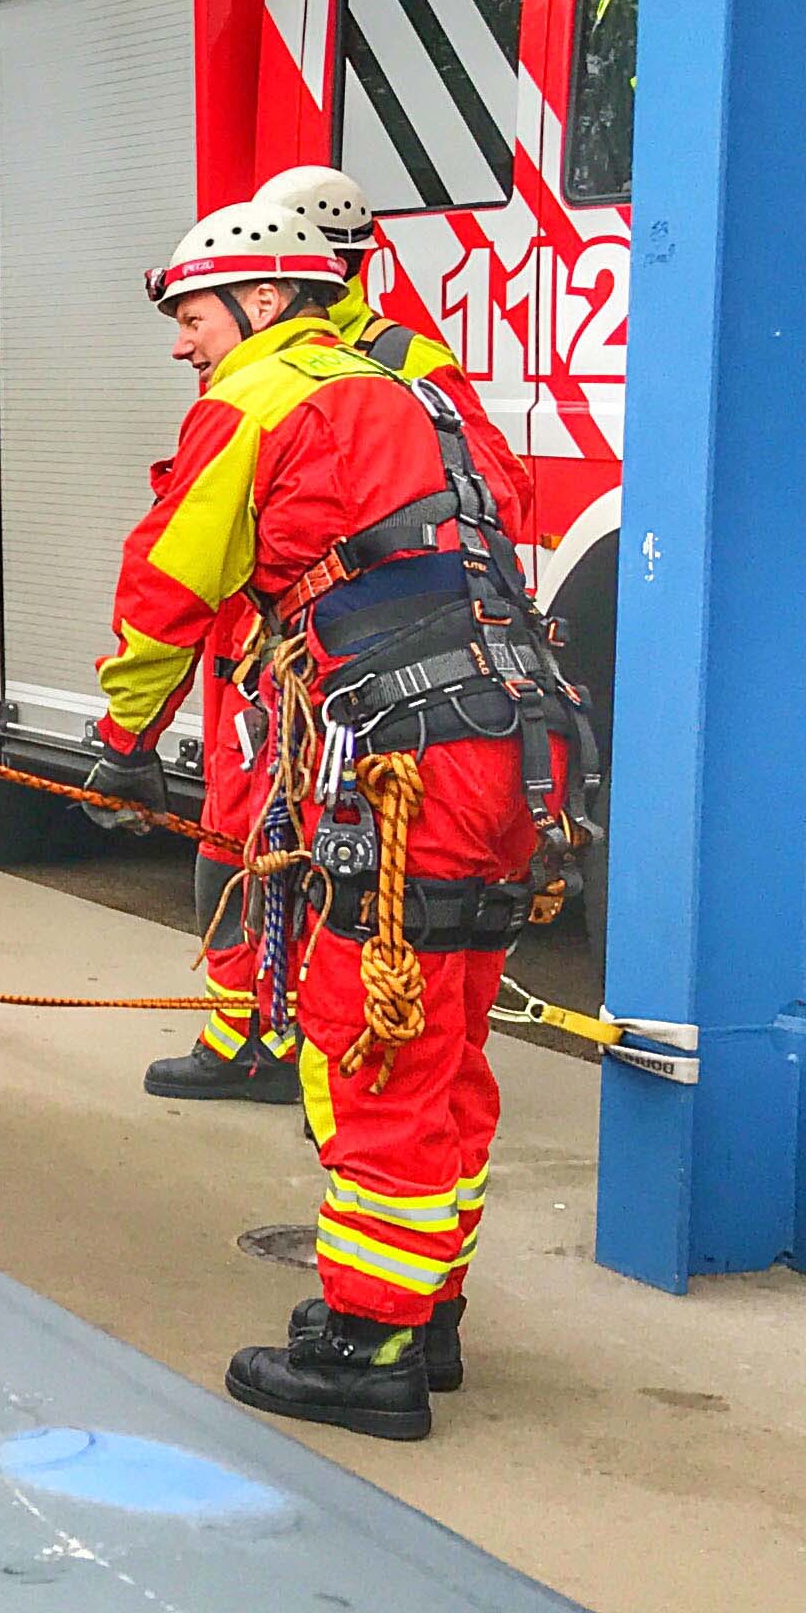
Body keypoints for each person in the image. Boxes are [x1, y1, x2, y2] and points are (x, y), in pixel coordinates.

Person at [84, 199, 577, 1440]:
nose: (184, 345)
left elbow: (169, 583)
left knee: (373, 1048)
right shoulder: (420, 389)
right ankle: (421, 1313)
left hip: (411, 766)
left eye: (193, 316)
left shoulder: (264, 399)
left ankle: (368, 1354)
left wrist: (122, 739)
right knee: (447, 1045)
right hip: (516, 747)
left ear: (261, 300)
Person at [142, 161, 537, 1105]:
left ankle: (321, 1047)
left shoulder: (393, 366)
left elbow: (492, 496)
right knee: (240, 841)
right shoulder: (283, 368)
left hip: (343, 664)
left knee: (334, 860)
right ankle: (251, 1032)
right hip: (266, 650)